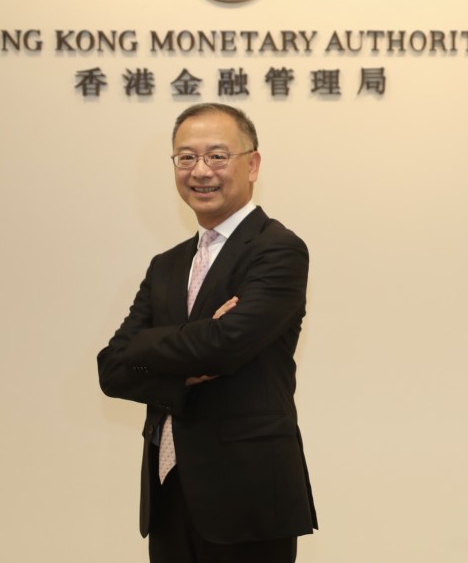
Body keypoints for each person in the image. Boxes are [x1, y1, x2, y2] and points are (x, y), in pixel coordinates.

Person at [97, 102, 316, 563]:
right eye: (186, 157)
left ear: (252, 164)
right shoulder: (167, 265)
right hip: (169, 487)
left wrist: (152, 349)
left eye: (218, 156)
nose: (201, 171)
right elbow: (113, 368)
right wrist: (185, 362)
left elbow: (224, 347)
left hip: (248, 493)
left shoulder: (278, 250)